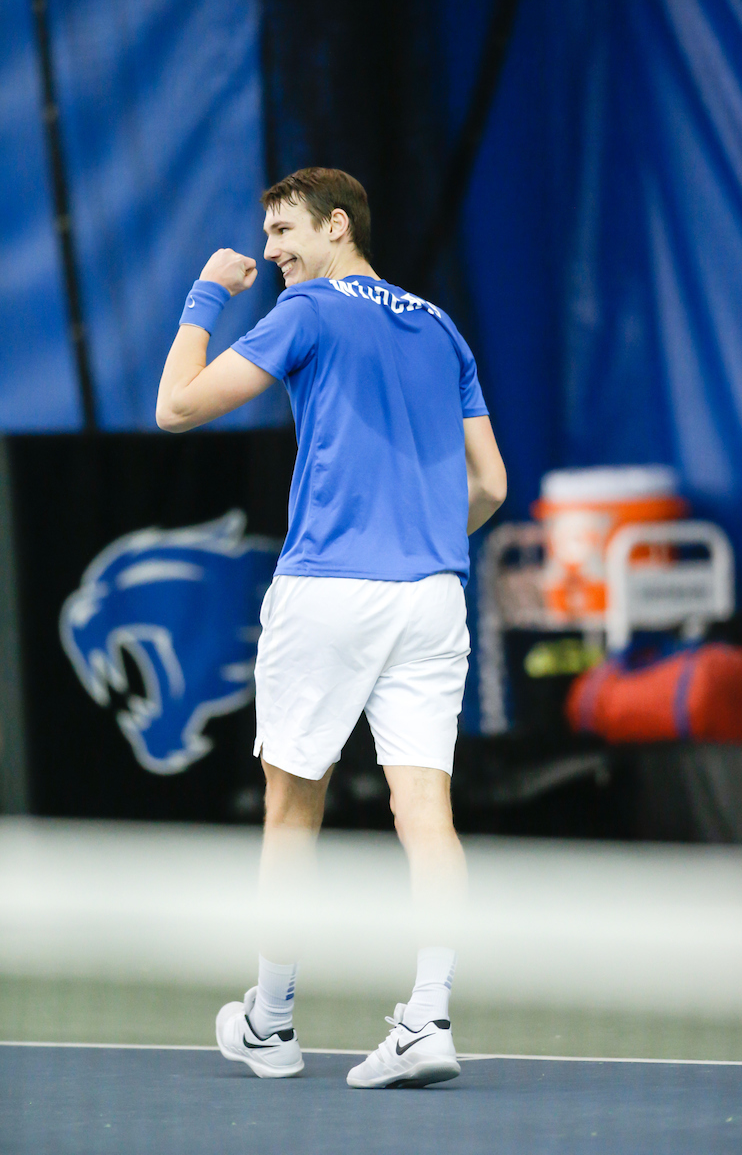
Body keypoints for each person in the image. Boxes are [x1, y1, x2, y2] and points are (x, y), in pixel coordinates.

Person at [156, 167, 506, 1088]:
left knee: (290, 805)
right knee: (425, 809)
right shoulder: (440, 326)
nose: (272, 251)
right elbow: (493, 487)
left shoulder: (306, 311)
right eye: (266, 237)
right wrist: (421, 537)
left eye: (284, 231)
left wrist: (206, 293)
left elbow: (176, 406)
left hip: (329, 593)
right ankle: (427, 1019)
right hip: (433, 594)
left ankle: (270, 1024)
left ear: (336, 226)